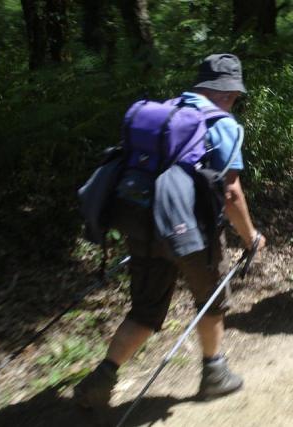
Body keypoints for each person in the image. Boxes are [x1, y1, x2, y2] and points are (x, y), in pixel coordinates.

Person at [73, 53, 266, 408]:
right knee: (211, 298)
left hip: (144, 221)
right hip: (193, 231)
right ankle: (214, 373)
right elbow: (231, 193)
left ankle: (102, 377)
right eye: (235, 96)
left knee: (145, 311)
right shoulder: (223, 124)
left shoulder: (167, 111)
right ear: (227, 94)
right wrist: (250, 237)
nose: (235, 101)